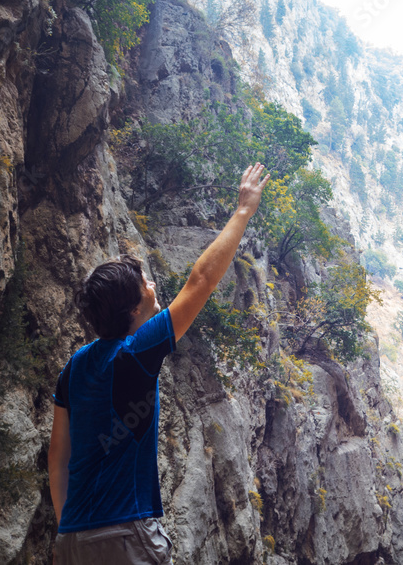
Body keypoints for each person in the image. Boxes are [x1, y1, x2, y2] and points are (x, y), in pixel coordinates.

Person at [48, 163, 270, 564]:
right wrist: (243, 212)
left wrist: (72, 528)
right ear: (134, 308)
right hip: (125, 536)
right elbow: (200, 281)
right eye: (145, 285)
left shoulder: (75, 366)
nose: (153, 286)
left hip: (71, 542)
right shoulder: (134, 354)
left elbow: (58, 455)